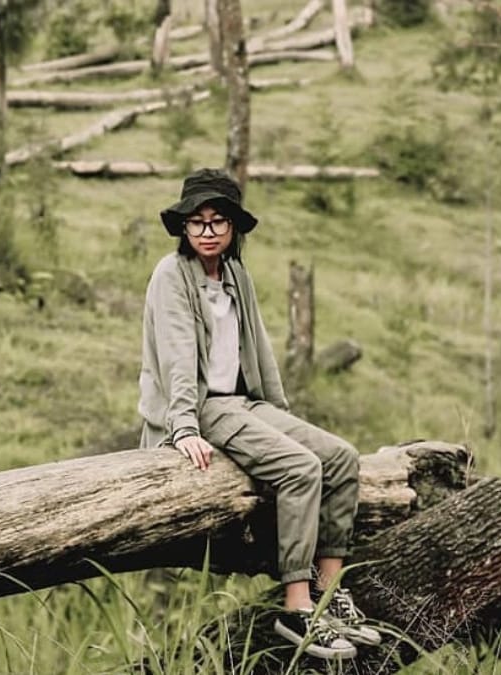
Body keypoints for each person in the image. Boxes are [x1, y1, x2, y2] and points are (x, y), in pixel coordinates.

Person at [137, 168, 380, 661]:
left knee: (339, 458)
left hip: (245, 402)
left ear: (233, 229)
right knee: (300, 469)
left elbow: (259, 348)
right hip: (204, 407)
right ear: (184, 227)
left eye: (218, 221)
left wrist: (280, 416)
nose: (207, 231)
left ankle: (331, 596)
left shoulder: (234, 276)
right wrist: (182, 426)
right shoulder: (171, 275)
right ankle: (297, 607)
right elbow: (177, 356)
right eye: (197, 221)